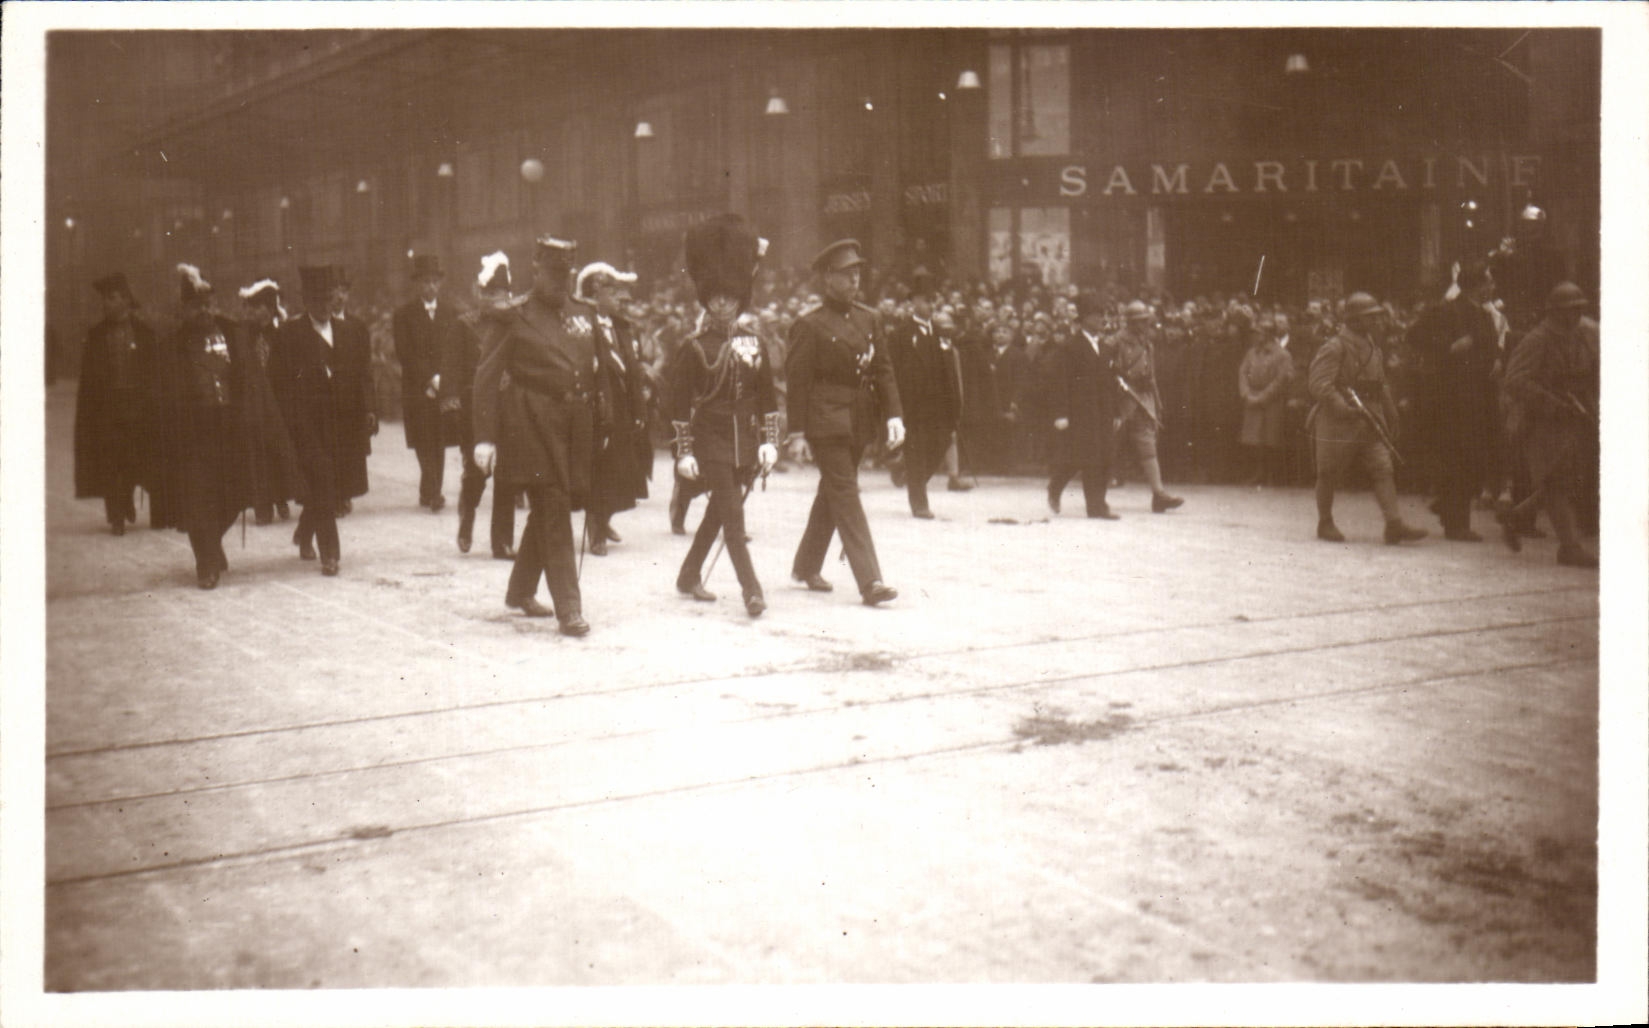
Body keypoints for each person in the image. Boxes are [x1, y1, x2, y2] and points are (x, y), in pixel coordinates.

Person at [472, 235, 600, 636]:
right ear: (536, 270)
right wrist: (484, 438)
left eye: (566, 275)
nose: (559, 282)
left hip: (573, 424)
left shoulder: (583, 313)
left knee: (551, 505)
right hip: (530, 424)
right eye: (552, 274)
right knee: (554, 507)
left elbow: (593, 372)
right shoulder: (513, 315)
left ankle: (520, 590)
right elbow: (486, 378)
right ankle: (570, 609)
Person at [154, 265, 302, 589]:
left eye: (208, 304)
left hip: (231, 430)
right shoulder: (173, 345)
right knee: (197, 499)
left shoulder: (233, 334)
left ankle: (210, 542)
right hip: (193, 434)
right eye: (196, 306)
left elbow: (252, 379)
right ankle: (205, 562)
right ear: (185, 309)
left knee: (234, 495)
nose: (204, 311)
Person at [668, 214, 779, 617]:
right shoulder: (694, 347)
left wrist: (769, 442)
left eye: (730, 298)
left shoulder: (755, 342)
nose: (723, 304)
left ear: (739, 298)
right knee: (734, 519)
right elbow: (678, 404)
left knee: (720, 512)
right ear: (707, 300)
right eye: (716, 298)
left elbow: (767, 397)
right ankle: (752, 590)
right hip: (710, 440)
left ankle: (688, 573)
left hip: (745, 441)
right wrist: (683, 451)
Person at [785, 239, 903, 606]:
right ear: (827, 279)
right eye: (845, 274)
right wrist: (798, 433)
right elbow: (798, 382)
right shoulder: (809, 324)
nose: (854, 281)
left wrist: (895, 414)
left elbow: (883, 370)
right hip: (826, 422)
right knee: (847, 494)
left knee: (833, 492)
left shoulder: (870, 318)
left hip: (859, 419)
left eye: (856, 273)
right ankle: (871, 580)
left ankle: (806, 565)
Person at [270, 265, 378, 576]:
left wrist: (369, 409)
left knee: (331, 486)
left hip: (343, 423)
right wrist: (289, 423)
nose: (324, 305)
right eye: (316, 299)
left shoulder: (352, 332)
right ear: (305, 301)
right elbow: (278, 382)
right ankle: (330, 554)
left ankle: (304, 533)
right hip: (306, 425)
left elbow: (364, 375)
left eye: (328, 298)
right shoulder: (288, 335)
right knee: (323, 479)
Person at [1307, 292, 1428, 545]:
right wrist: (1343, 407)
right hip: (1337, 421)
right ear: (1354, 320)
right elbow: (1320, 384)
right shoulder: (1335, 346)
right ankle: (1325, 521)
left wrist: (1390, 410)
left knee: (1383, 468)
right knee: (1328, 472)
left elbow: (1380, 383)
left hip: (1370, 417)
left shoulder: (1373, 346)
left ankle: (1393, 524)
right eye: (1370, 317)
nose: (1376, 321)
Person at [1498, 282, 1598, 568]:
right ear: (1553, 312)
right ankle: (1569, 546)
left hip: (1578, 414)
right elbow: (1514, 380)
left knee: (1566, 477)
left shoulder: (1585, 335)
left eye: (1578, 309)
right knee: (1556, 480)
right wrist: (1551, 403)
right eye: (1568, 310)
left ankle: (1516, 516)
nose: (1575, 315)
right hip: (1542, 420)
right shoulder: (1537, 340)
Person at [1405, 259, 1500, 540]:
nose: (1492, 287)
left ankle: (1447, 507)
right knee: (1460, 457)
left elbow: (1489, 344)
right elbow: (1414, 335)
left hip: (1479, 394)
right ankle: (1457, 523)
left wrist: (1496, 360)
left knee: (1473, 457)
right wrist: (1448, 347)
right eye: (1488, 282)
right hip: (1451, 397)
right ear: (1476, 285)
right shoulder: (1445, 311)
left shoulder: (1483, 315)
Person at [442, 251, 519, 558]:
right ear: (482, 294)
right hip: (475, 410)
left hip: (511, 409)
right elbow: (451, 366)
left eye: (504, 295)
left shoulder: (516, 324)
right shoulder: (465, 325)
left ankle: (502, 542)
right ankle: (468, 511)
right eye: (492, 295)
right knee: (478, 473)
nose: (498, 301)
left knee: (509, 474)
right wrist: (452, 402)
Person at [74, 272, 160, 535]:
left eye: (112, 298)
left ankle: (125, 500)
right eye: (104, 299)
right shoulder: (96, 335)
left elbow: (154, 373)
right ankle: (117, 514)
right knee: (111, 460)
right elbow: (89, 380)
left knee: (134, 459)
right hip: (107, 409)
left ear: (125, 300)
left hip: (138, 407)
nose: (106, 304)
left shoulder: (144, 333)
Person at [575, 261, 651, 556]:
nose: (619, 298)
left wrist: (640, 410)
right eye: (613, 292)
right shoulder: (584, 327)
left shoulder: (620, 326)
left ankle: (604, 519)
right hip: (596, 408)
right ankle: (595, 528)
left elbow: (632, 370)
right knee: (598, 470)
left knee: (619, 470)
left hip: (621, 407)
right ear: (595, 295)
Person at [886, 272, 962, 518]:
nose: (930, 305)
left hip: (938, 405)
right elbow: (893, 372)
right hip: (913, 405)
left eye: (933, 300)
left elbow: (949, 371)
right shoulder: (901, 335)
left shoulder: (941, 334)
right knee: (917, 452)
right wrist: (895, 407)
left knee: (940, 444)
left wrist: (953, 403)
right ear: (913, 303)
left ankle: (906, 473)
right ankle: (919, 503)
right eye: (925, 300)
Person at [392, 254, 459, 511]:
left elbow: (454, 348)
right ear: (417, 284)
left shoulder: (450, 312)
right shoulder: (404, 315)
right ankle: (430, 488)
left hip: (443, 387)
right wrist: (429, 379)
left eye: (434, 282)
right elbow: (404, 352)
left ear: (440, 283)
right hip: (417, 388)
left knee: (439, 440)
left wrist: (443, 377)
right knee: (423, 440)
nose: (430, 287)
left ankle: (433, 491)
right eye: (425, 282)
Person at [1047, 292, 1120, 519]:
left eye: (1103, 315)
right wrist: (1061, 413)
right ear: (1085, 318)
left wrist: (1116, 412)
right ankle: (1059, 489)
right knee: (1084, 458)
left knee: (1105, 456)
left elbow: (1112, 382)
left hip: (1103, 412)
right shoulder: (1070, 347)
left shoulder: (1106, 348)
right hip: (1081, 412)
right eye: (1097, 315)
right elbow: (1061, 382)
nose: (1102, 319)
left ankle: (1098, 504)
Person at [1108, 300, 1184, 512]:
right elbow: (1107, 371)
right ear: (1131, 322)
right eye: (1140, 321)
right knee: (1108, 446)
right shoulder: (1116, 342)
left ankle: (1158, 494)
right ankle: (1092, 493)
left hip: (1143, 400)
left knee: (1148, 446)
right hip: (1121, 401)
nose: (1145, 325)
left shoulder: (1147, 343)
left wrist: (1157, 402)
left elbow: (1151, 376)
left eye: (1146, 321)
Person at [238, 277, 294, 525]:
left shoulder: (283, 335)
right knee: (257, 454)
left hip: (279, 402)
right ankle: (262, 505)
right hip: (253, 403)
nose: (255, 312)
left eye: (261, 307)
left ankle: (280, 497)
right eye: (253, 307)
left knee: (278, 451)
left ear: (271, 310)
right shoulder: (243, 336)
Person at [1237, 312, 1296, 488]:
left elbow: (1281, 380)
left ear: (1269, 335)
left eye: (1260, 333)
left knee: (1270, 439)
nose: (1256, 337)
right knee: (1254, 440)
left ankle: (1271, 474)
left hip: (1271, 402)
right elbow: (1242, 372)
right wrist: (1246, 393)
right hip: (1252, 398)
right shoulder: (1251, 352)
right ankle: (1257, 473)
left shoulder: (1282, 355)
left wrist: (1262, 397)